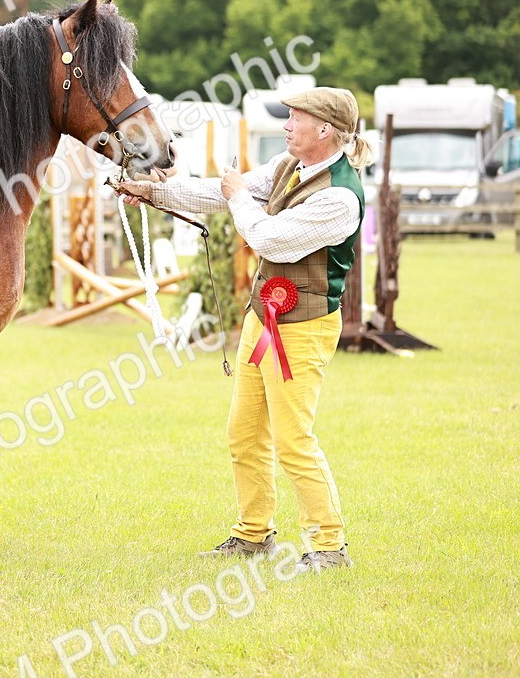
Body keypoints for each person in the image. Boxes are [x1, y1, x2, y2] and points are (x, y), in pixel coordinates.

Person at [116, 87, 372, 573]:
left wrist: (235, 196)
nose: (286, 125)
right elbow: (220, 192)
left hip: (304, 328)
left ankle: (329, 546)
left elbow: (266, 236)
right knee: (244, 433)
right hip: (265, 318)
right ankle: (254, 534)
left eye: (296, 118)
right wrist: (151, 191)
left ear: (326, 130)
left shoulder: (341, 196)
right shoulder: (287, 167)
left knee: (294, 439)